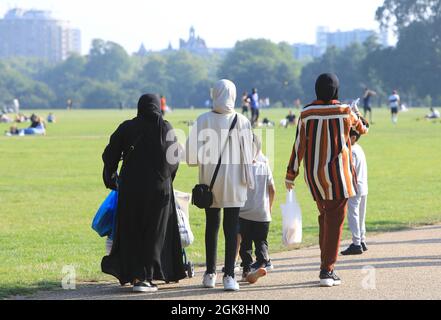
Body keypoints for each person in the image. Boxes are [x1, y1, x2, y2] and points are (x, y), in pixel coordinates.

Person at [285, 73, 369, 287]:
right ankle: (327, 269)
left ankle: (326, 263)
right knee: (334, 223)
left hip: (314, 178)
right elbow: (363, 129)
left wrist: (291, 174)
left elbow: (298, 146)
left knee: (325, 217)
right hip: (339, 177)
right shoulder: (345, 111)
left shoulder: (306, 113)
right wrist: (356, 112)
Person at [101, 94, 186, 293]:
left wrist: (111, 177)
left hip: (131, 188)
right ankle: (145, 277)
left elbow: (110, 155)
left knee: (132, 230)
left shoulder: (127, 127)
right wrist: (166, 180)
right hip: (158, 190)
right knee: (154, 234)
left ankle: (134, 274)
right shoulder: (165, 127)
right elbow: (173, 161)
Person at [187, 79, 255, 292]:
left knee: (211, 226)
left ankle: (209, 273)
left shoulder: (202, 120)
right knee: (231, 228)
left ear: (214, 93)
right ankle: (228, 275)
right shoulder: (242, 120)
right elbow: (249, 155)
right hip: (235, 183)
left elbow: (189, 157)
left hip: (209, 182)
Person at [239, 134, 276, 284]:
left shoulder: (241, 168)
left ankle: (247, 268)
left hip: (244, 212)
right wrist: (270, 207)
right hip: (263, 213)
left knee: (245, 243)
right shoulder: (264, 166)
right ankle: (262, 262)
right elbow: (272, 189)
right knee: (261, 240)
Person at [341, 129, 369, 255]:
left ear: (352, 138)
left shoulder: (352, 151)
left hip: (355, 187)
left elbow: (349, 170)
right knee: (361, 215)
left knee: (354, 215)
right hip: (363, 186)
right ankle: (362, 240)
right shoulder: (359, 148)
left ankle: (356, 243)